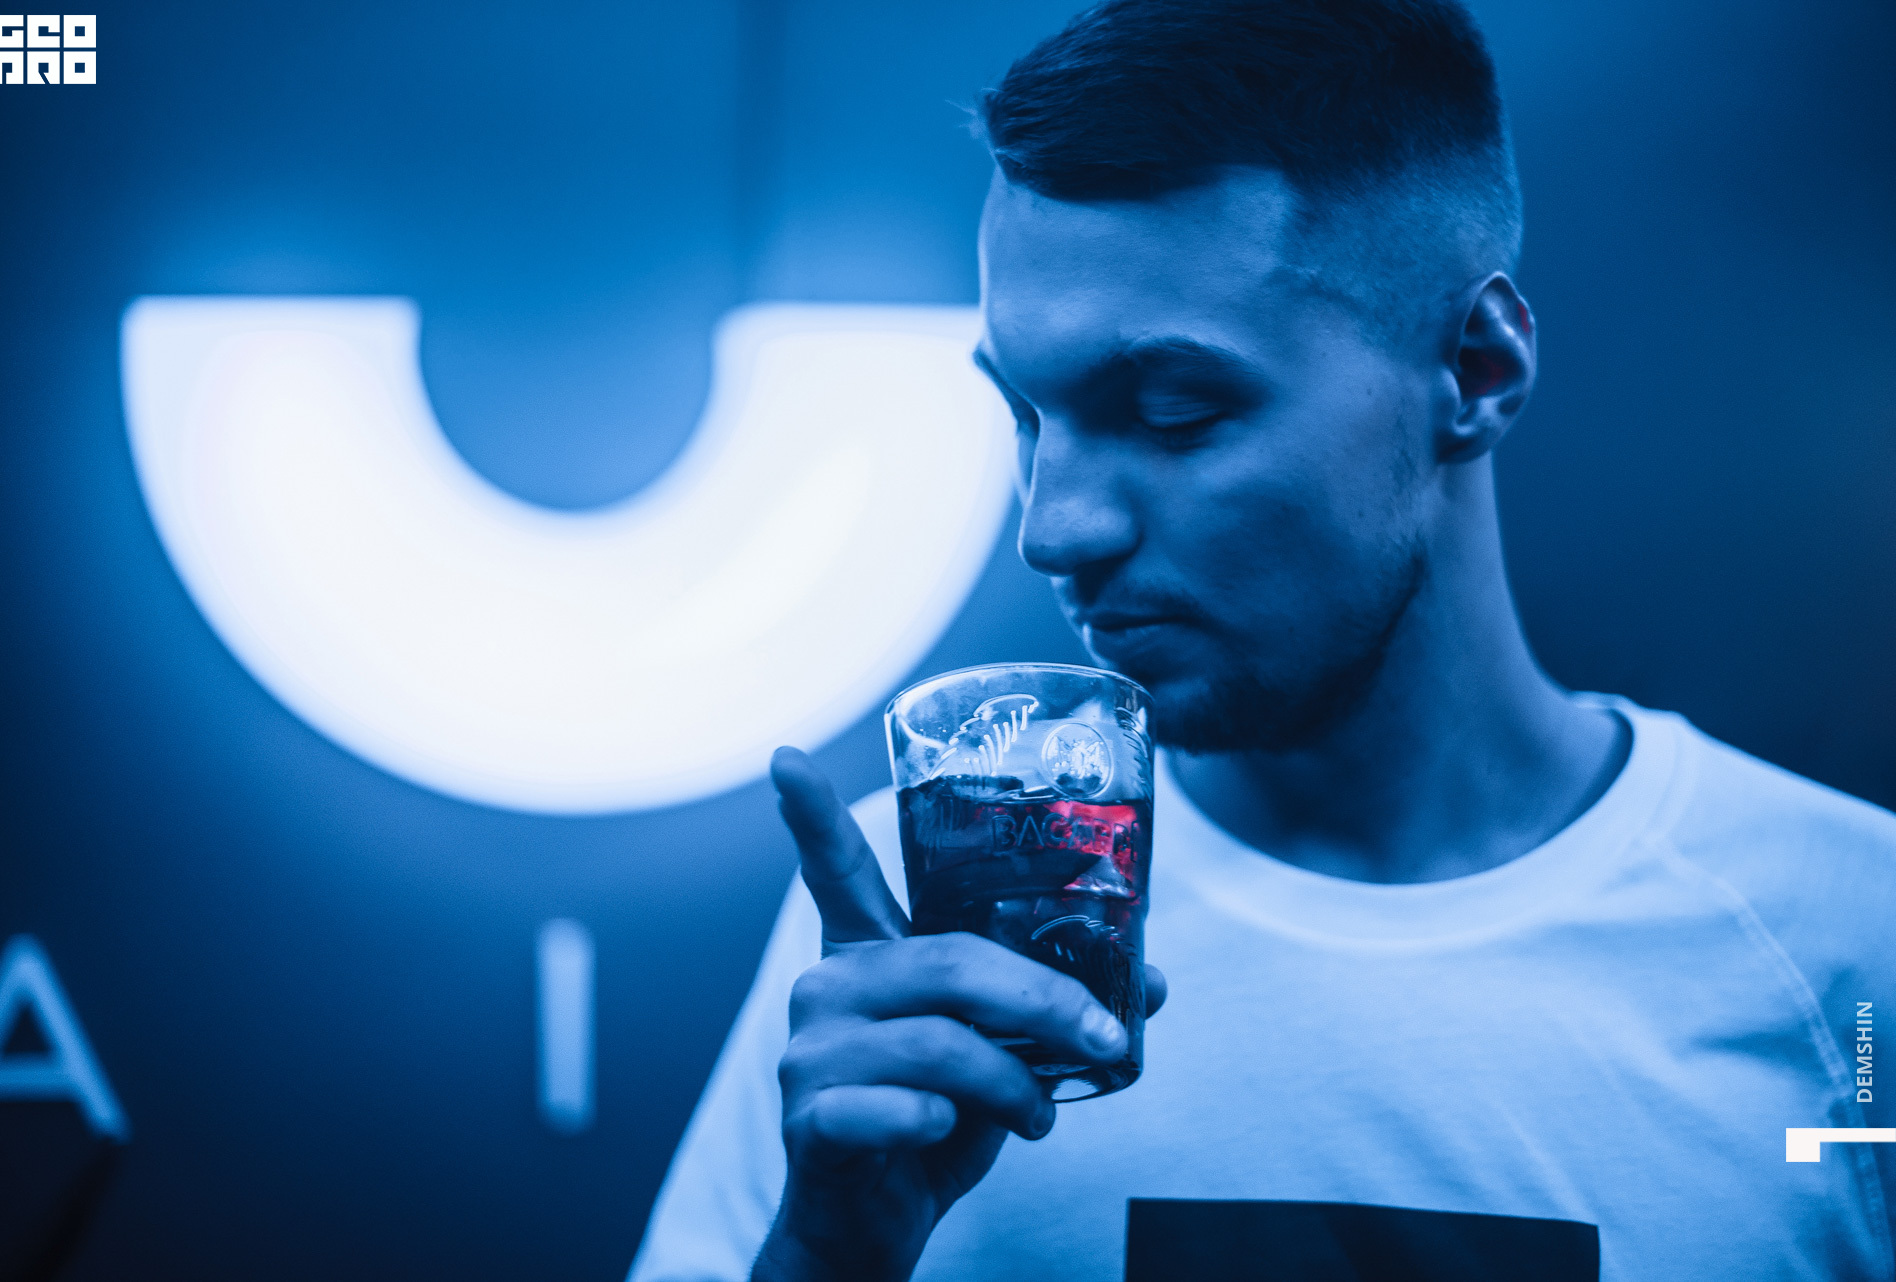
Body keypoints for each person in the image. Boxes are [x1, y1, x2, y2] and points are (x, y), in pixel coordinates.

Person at [627, 1, 1896, 1277]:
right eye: (1026, 414)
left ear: (1475, 368)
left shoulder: (1850, 956)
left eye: (1175, 412)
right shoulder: (919, 938)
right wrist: (826, 1256)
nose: (1053, 528)